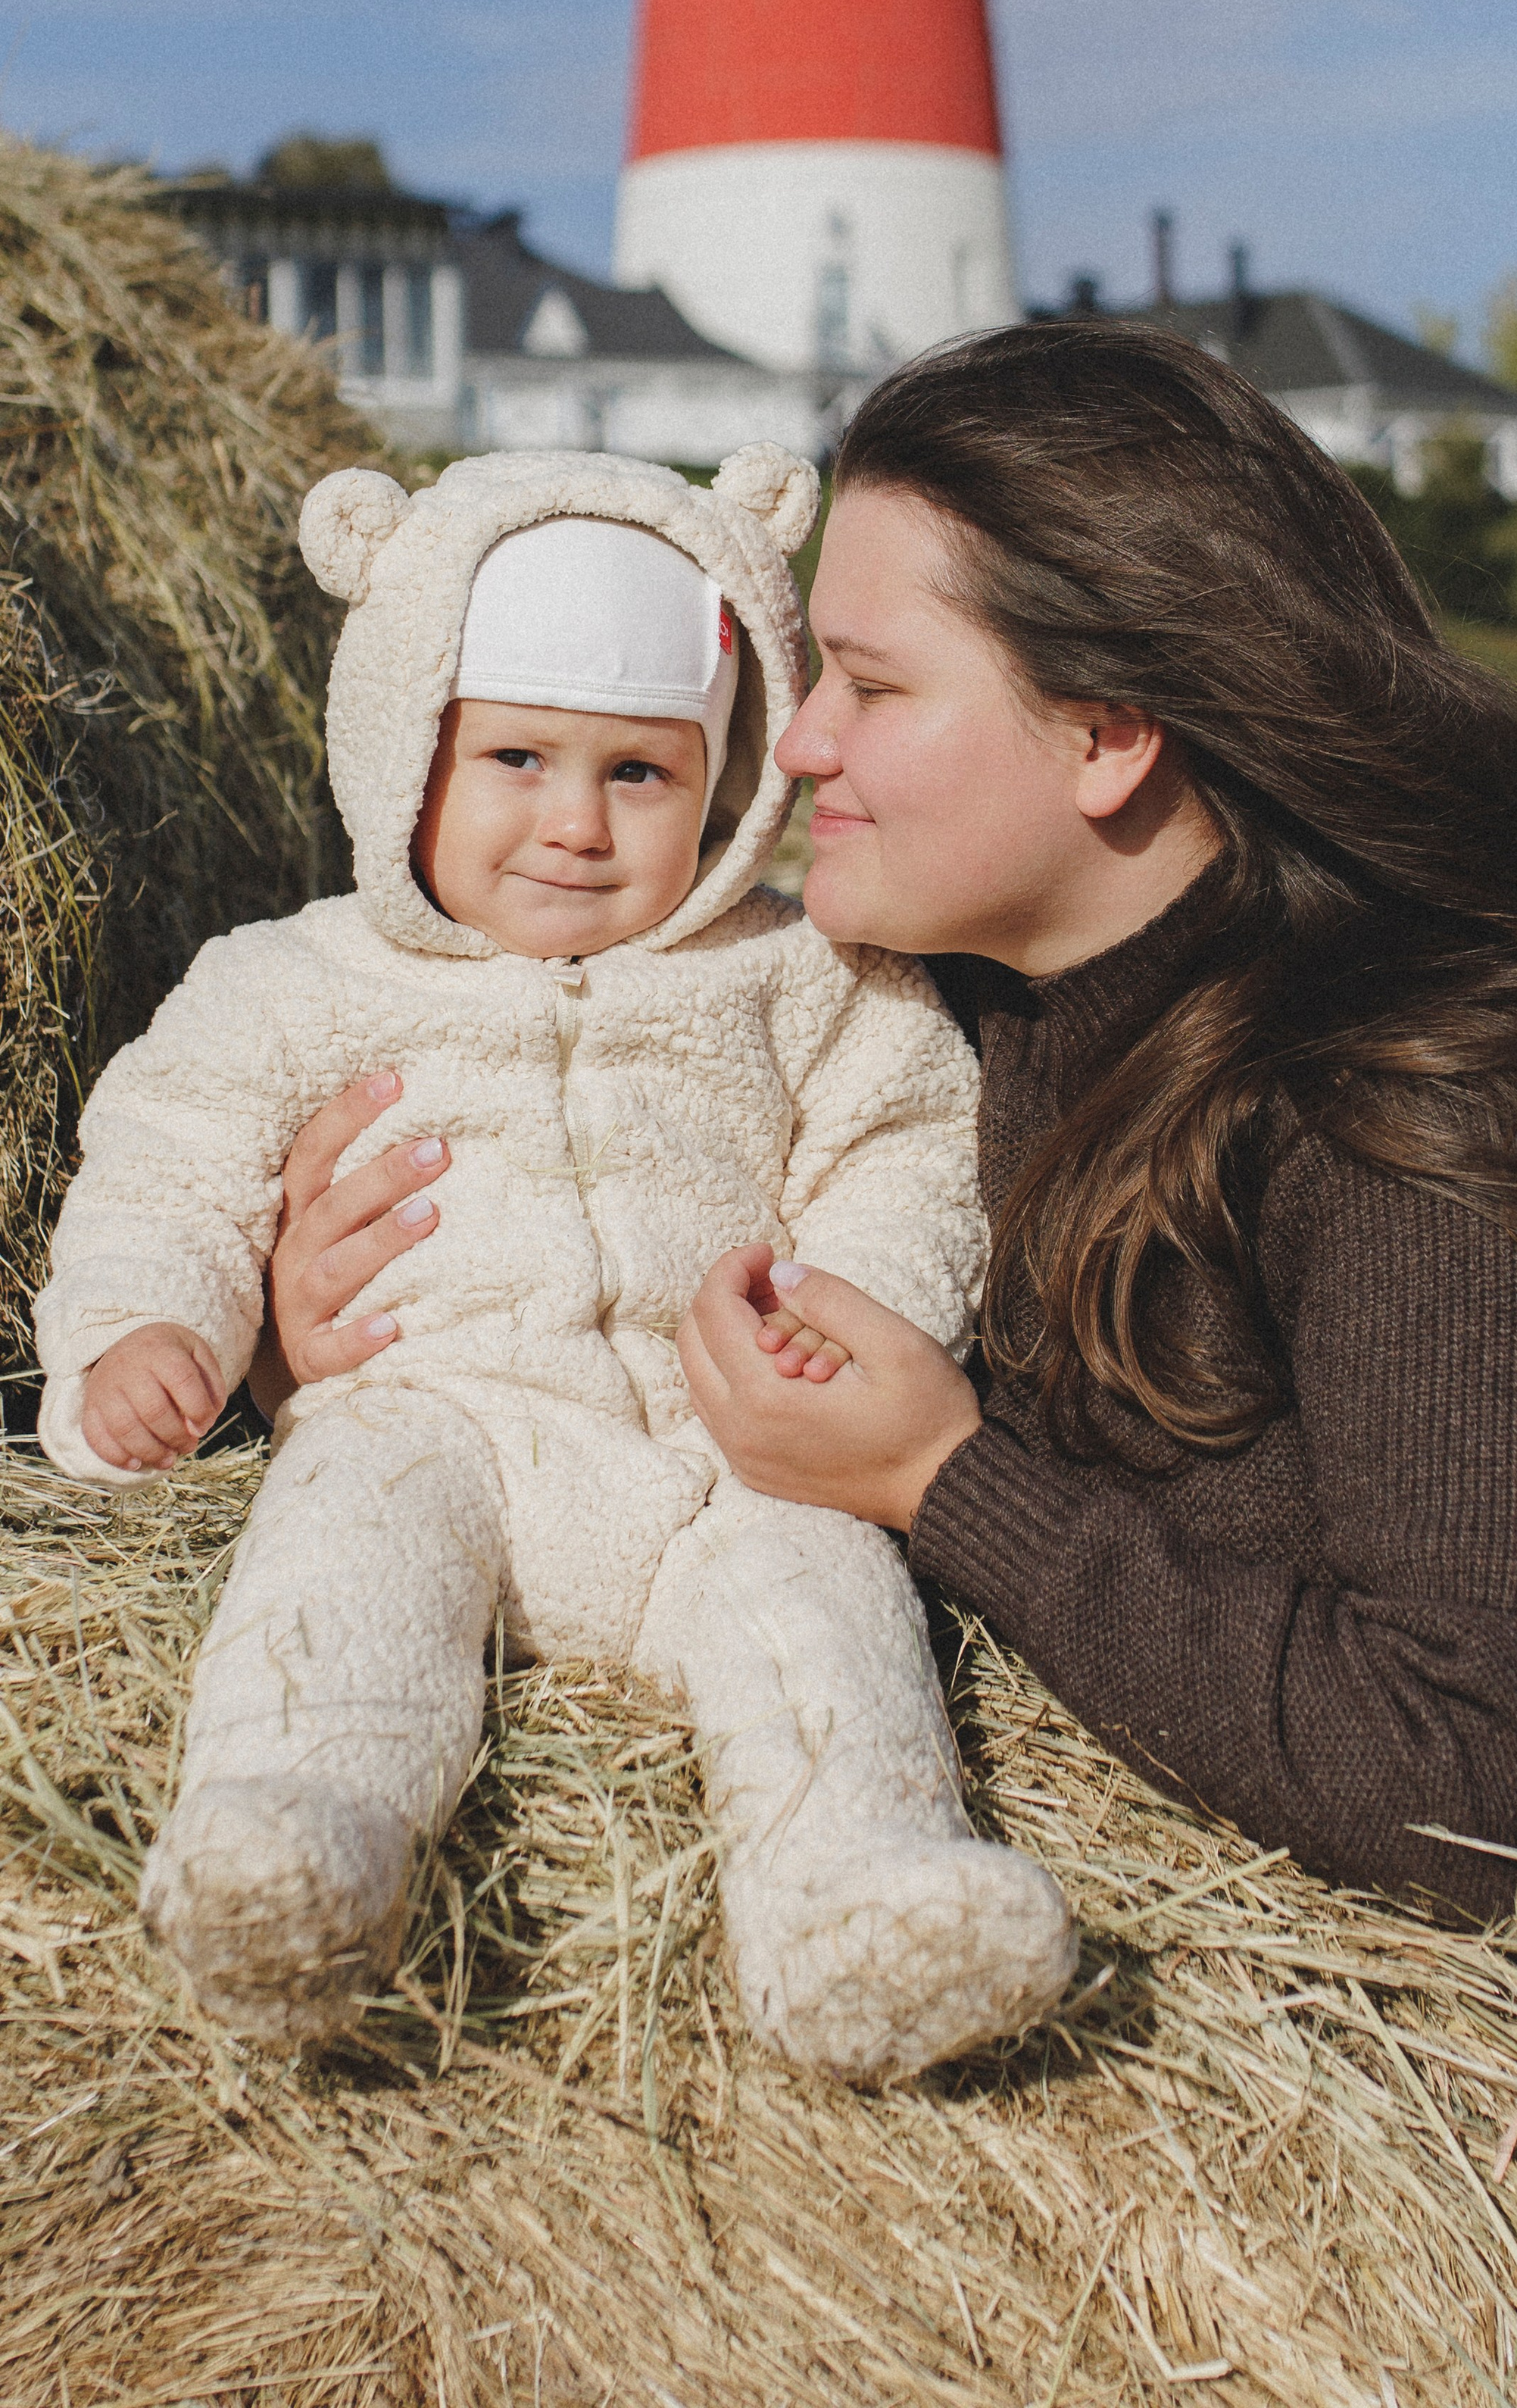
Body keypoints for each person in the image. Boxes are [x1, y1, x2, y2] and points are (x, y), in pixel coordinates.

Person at [258, 329, 1517, 2223]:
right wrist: (363, 1322)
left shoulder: (1448, 1109)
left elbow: (1476, 1803)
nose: (793, 739)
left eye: (872, 685)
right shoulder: (980, 1028)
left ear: (1109, 734)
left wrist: (945, 1483)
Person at [35, 439, 1075, 2079]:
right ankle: (303, 1845)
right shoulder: (300, 979)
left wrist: (851, 1306)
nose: (574, 825)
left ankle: (855, 1899)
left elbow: (909, 1141)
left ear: (726, 788)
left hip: (719, 1451)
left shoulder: (800, 979)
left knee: (818, 1600)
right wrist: (147, 1329)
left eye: (640, 775)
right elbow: (176, 1158)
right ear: (404, 757)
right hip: (449, 1427)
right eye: (514, 756)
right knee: (344, 1545)